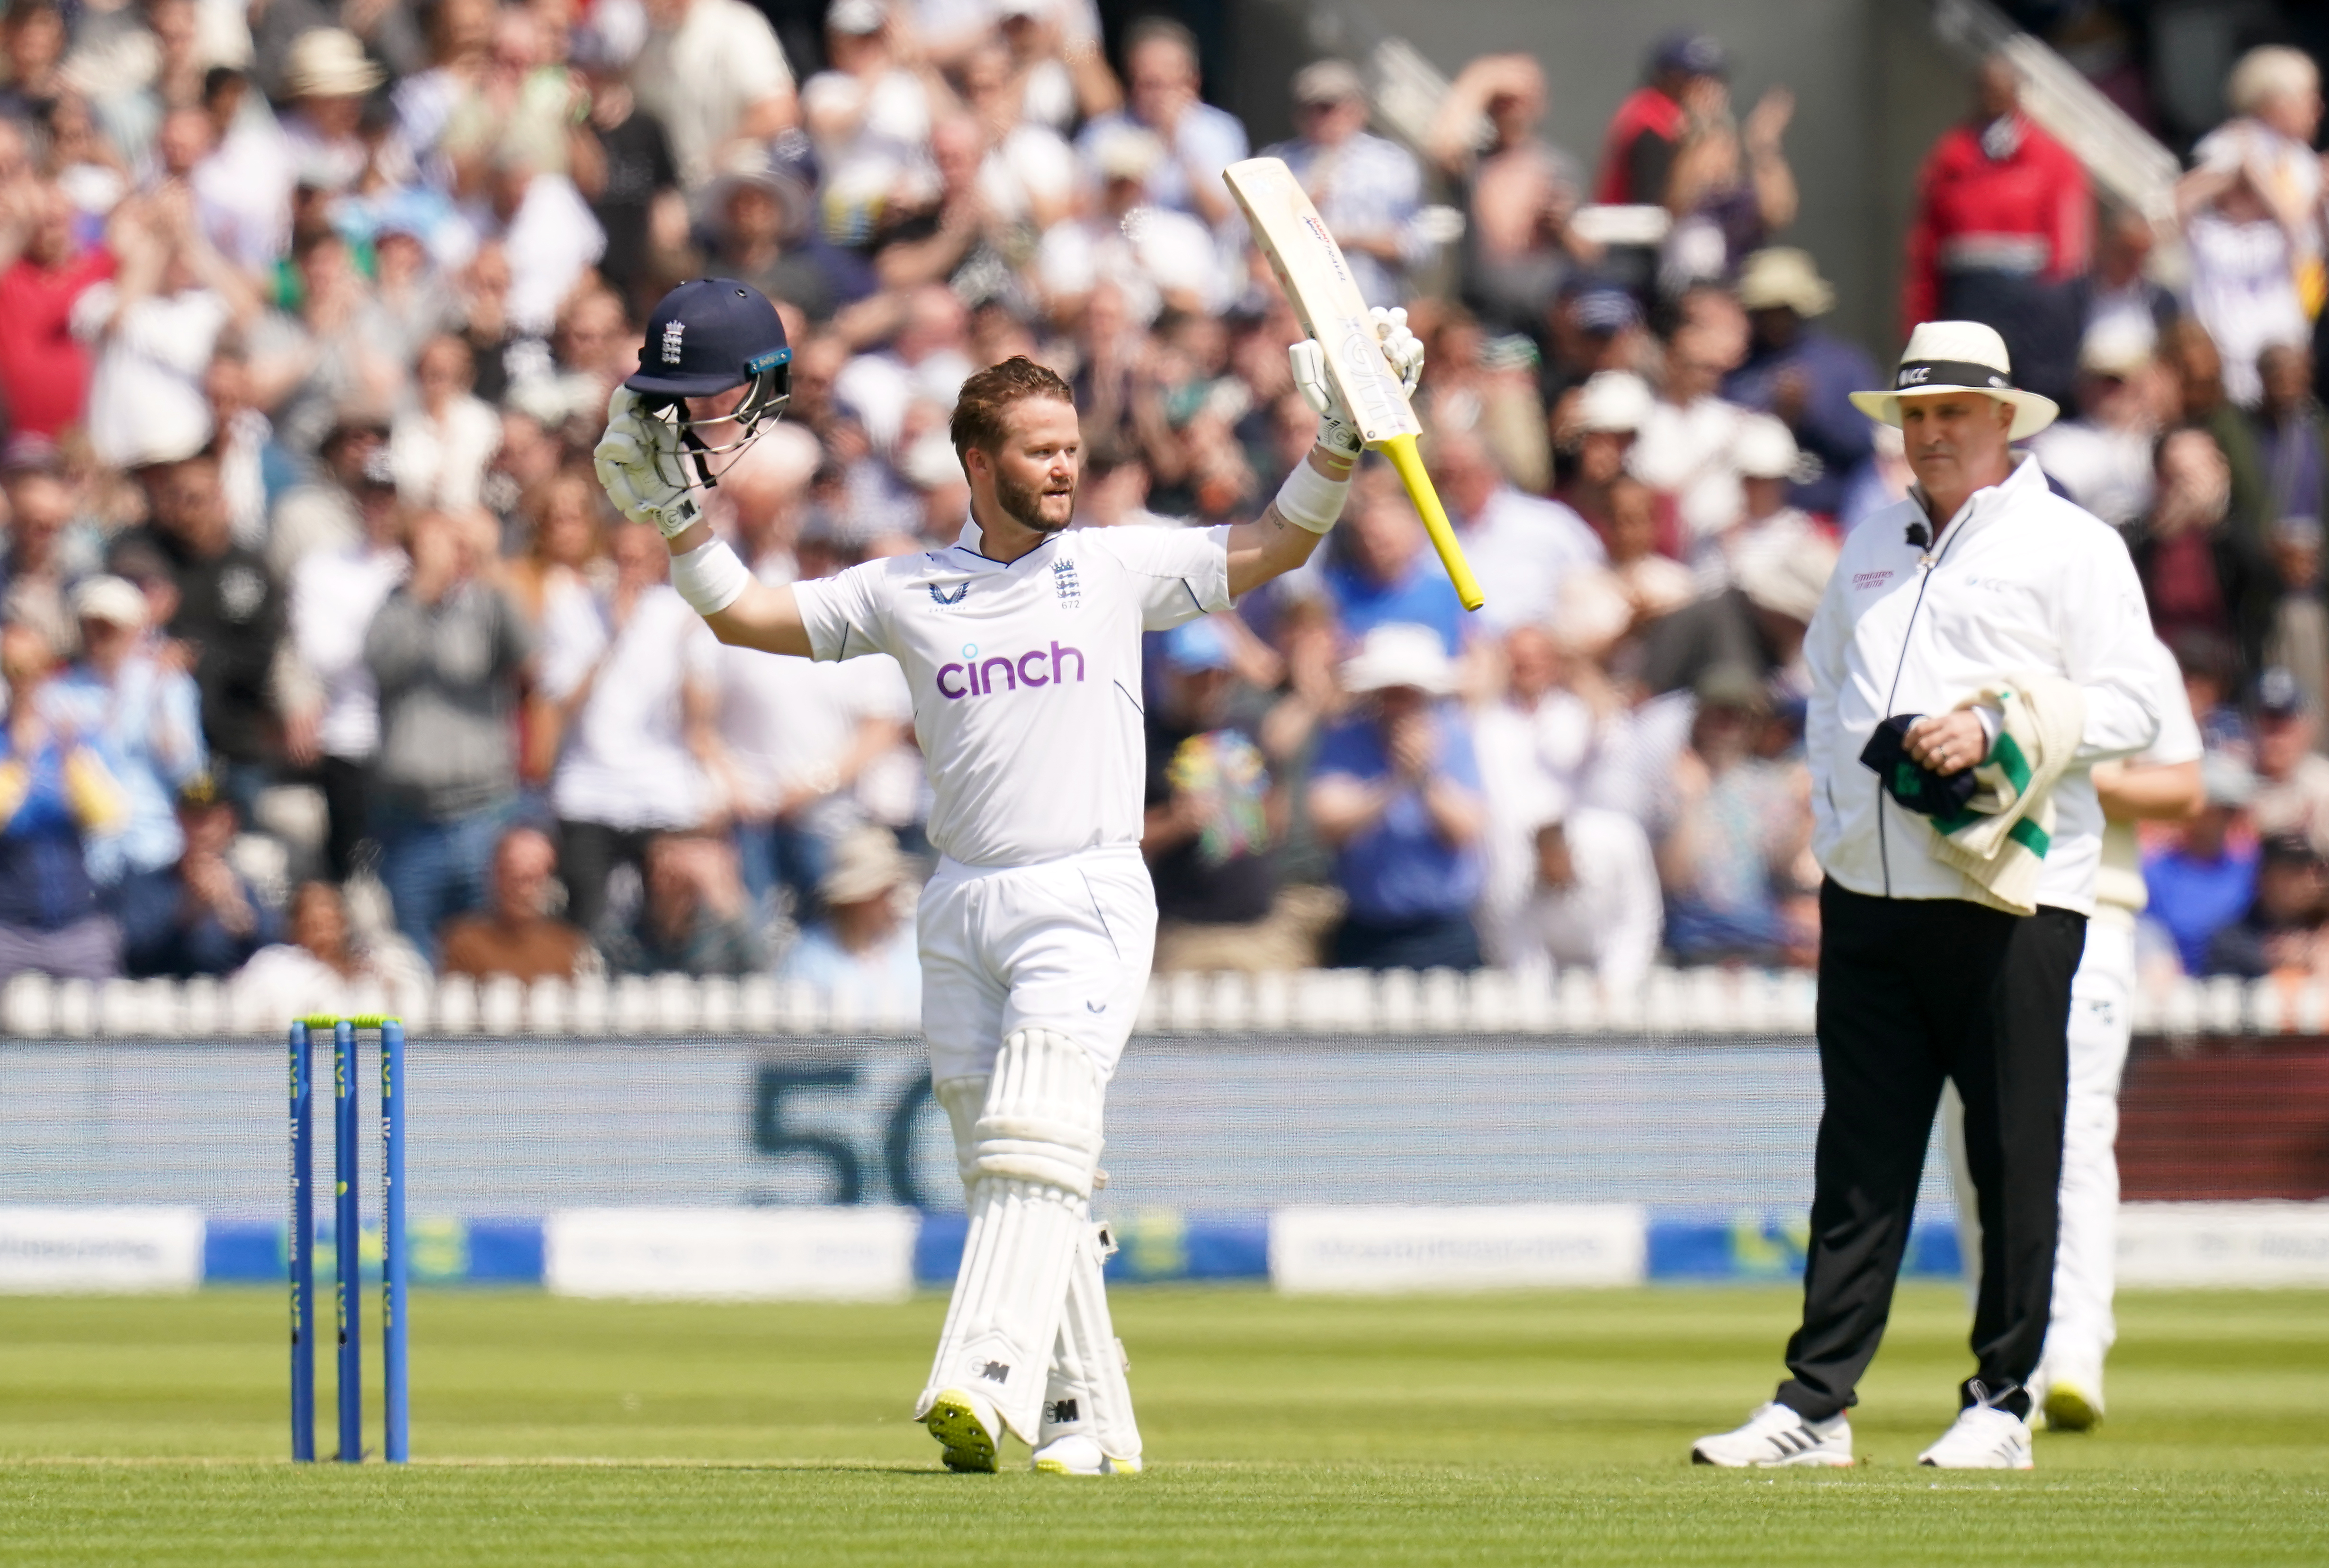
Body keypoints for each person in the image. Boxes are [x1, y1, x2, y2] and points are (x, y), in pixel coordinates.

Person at [592, 276, 1418, 1475]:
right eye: (1038, 450)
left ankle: (980, 1380)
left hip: (1084, 892)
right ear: (977, 462)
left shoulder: (1114, 568)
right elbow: (744, 616)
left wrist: (1337, 442)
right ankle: (1093, 1418)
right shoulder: (906, 588)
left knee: (1038, 1134)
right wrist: (677, 522)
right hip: (960, 899)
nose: (1063, 467)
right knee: (1008, 1166)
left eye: (1070, 447)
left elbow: (1279, 540)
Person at [1693, 321, 2162, 1470]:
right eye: (1915, 414)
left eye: (1952, 412)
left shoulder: (2072, 546)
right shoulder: (1869, 542)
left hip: (2010, 892)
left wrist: (1999, 726)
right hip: (1867, 892)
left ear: (2002, 419)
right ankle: (1815, 1406)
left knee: (2011, 1154)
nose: (1931, 433)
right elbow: (1825, 693)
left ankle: (2001, 1402)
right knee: (1857, 1159)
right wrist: (1836, 832)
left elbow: (2136, 706)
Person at [1945, 635, 2202, 1432]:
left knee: (2078, 1130)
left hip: (2093, 907)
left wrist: (2062, 765)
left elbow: (2183, 787)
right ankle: (2004, 1355)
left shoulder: (2128, 646)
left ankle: (2073, 1348)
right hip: (1966, 907)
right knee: (1971, 1135)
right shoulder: (1963, 637)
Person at [364, 508, 533, 960]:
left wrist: (490, 563)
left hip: (482, 815)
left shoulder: (488, 603)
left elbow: (530, 656)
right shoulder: (395, 605)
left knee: (486, 956)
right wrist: (425, 587)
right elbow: (381, 662)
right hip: (411, 822)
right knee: (413, 955)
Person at [1900, 55, 2088, 410]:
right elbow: (1925, 248)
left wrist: (2056, 314)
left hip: (2030, 298)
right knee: (1968, 389)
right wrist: (1918, 320)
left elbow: (2067, 247)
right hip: (1967, 297)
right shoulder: (1950, 157)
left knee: (2031, 396)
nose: (1993, 97)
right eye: (1986, 89)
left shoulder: (2050, 156)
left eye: (2002, 89)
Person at [1307, 623, 1488, 971]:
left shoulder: (1455, 737)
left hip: (1445, 932)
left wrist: (1424, 778)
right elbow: (1328, 823)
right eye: (1390, 693)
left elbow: (1466, 830)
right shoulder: (1345, 738)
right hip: (1368, 931)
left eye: (1407, 693)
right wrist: (1395, 782)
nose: (1398, 704)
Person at [0, 623, 129, 982]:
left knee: (104, 1008)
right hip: (9, 925)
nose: (23, 681)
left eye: (32, 669)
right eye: (13, 670)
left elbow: (109, 816)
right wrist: (21, 759)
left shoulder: (74, 739)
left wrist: (72, 756)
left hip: (77, 921)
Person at [1722, 248, 1881, 519]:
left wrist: (1809, 415)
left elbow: (1864, 445)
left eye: (1783, 309)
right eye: (1765, 310)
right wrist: (1773, 416)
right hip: (1748, 523)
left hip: (1830, 517)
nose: (1774, 320)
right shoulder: (1735, 367)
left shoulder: (1844, 366)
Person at [1262, 59, 1422, 310]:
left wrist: (1343, 239)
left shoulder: (1391, 163)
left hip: (1373, 302)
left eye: (1329, 108)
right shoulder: (1277, 163)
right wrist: (1303, 206)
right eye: (1310, 108)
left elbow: (1415, 244)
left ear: (1358, 109)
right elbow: (1253, 238)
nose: (1320, 118)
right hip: (1299, 307)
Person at [776, 822, 920, 1009]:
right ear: (857, 902)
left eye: (892, 891)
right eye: (881, 894)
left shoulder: (915, 945)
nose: (890, 903)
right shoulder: (811, 958)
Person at [2141, 751, 2259, 973]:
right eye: (2213, 809)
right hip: (2169, 985)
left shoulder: (2251, 872)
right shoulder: (2154, 871)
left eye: (2229, 812)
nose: (2221, 820)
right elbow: (2144, 929)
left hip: (2239, 982)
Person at [437, 824, 592, 983]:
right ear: (495, 876)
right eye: (514, 879)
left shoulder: (567, 947)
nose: (523, 891)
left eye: (532, 879)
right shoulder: (465, 944)